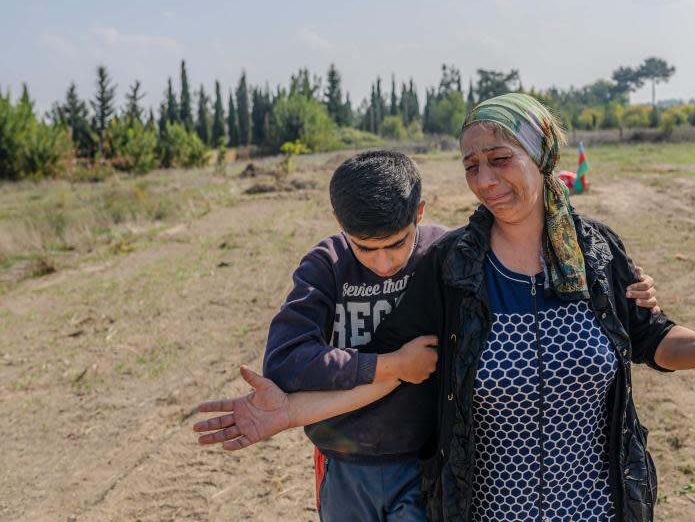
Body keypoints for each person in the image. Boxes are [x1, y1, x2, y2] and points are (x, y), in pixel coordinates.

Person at [196, 94, 695, 522]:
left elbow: (652, 340)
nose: (485, 179)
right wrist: (288, 413)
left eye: (501, 159)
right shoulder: (452, 269)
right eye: (471, 165)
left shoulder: (598, 252)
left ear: (542, 158)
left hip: (598, 507)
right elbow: (396, 370)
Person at [196, 149, 660, 522]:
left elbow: (528, 285)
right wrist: (391, 365)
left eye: (396, 243)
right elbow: (286, 363)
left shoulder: (448, 256)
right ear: (340, 225)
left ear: (420, 211)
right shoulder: (327, 264)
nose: (383, 262)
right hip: (343, 463)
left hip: (426, 463)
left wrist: (629, 295)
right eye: (366, 248)